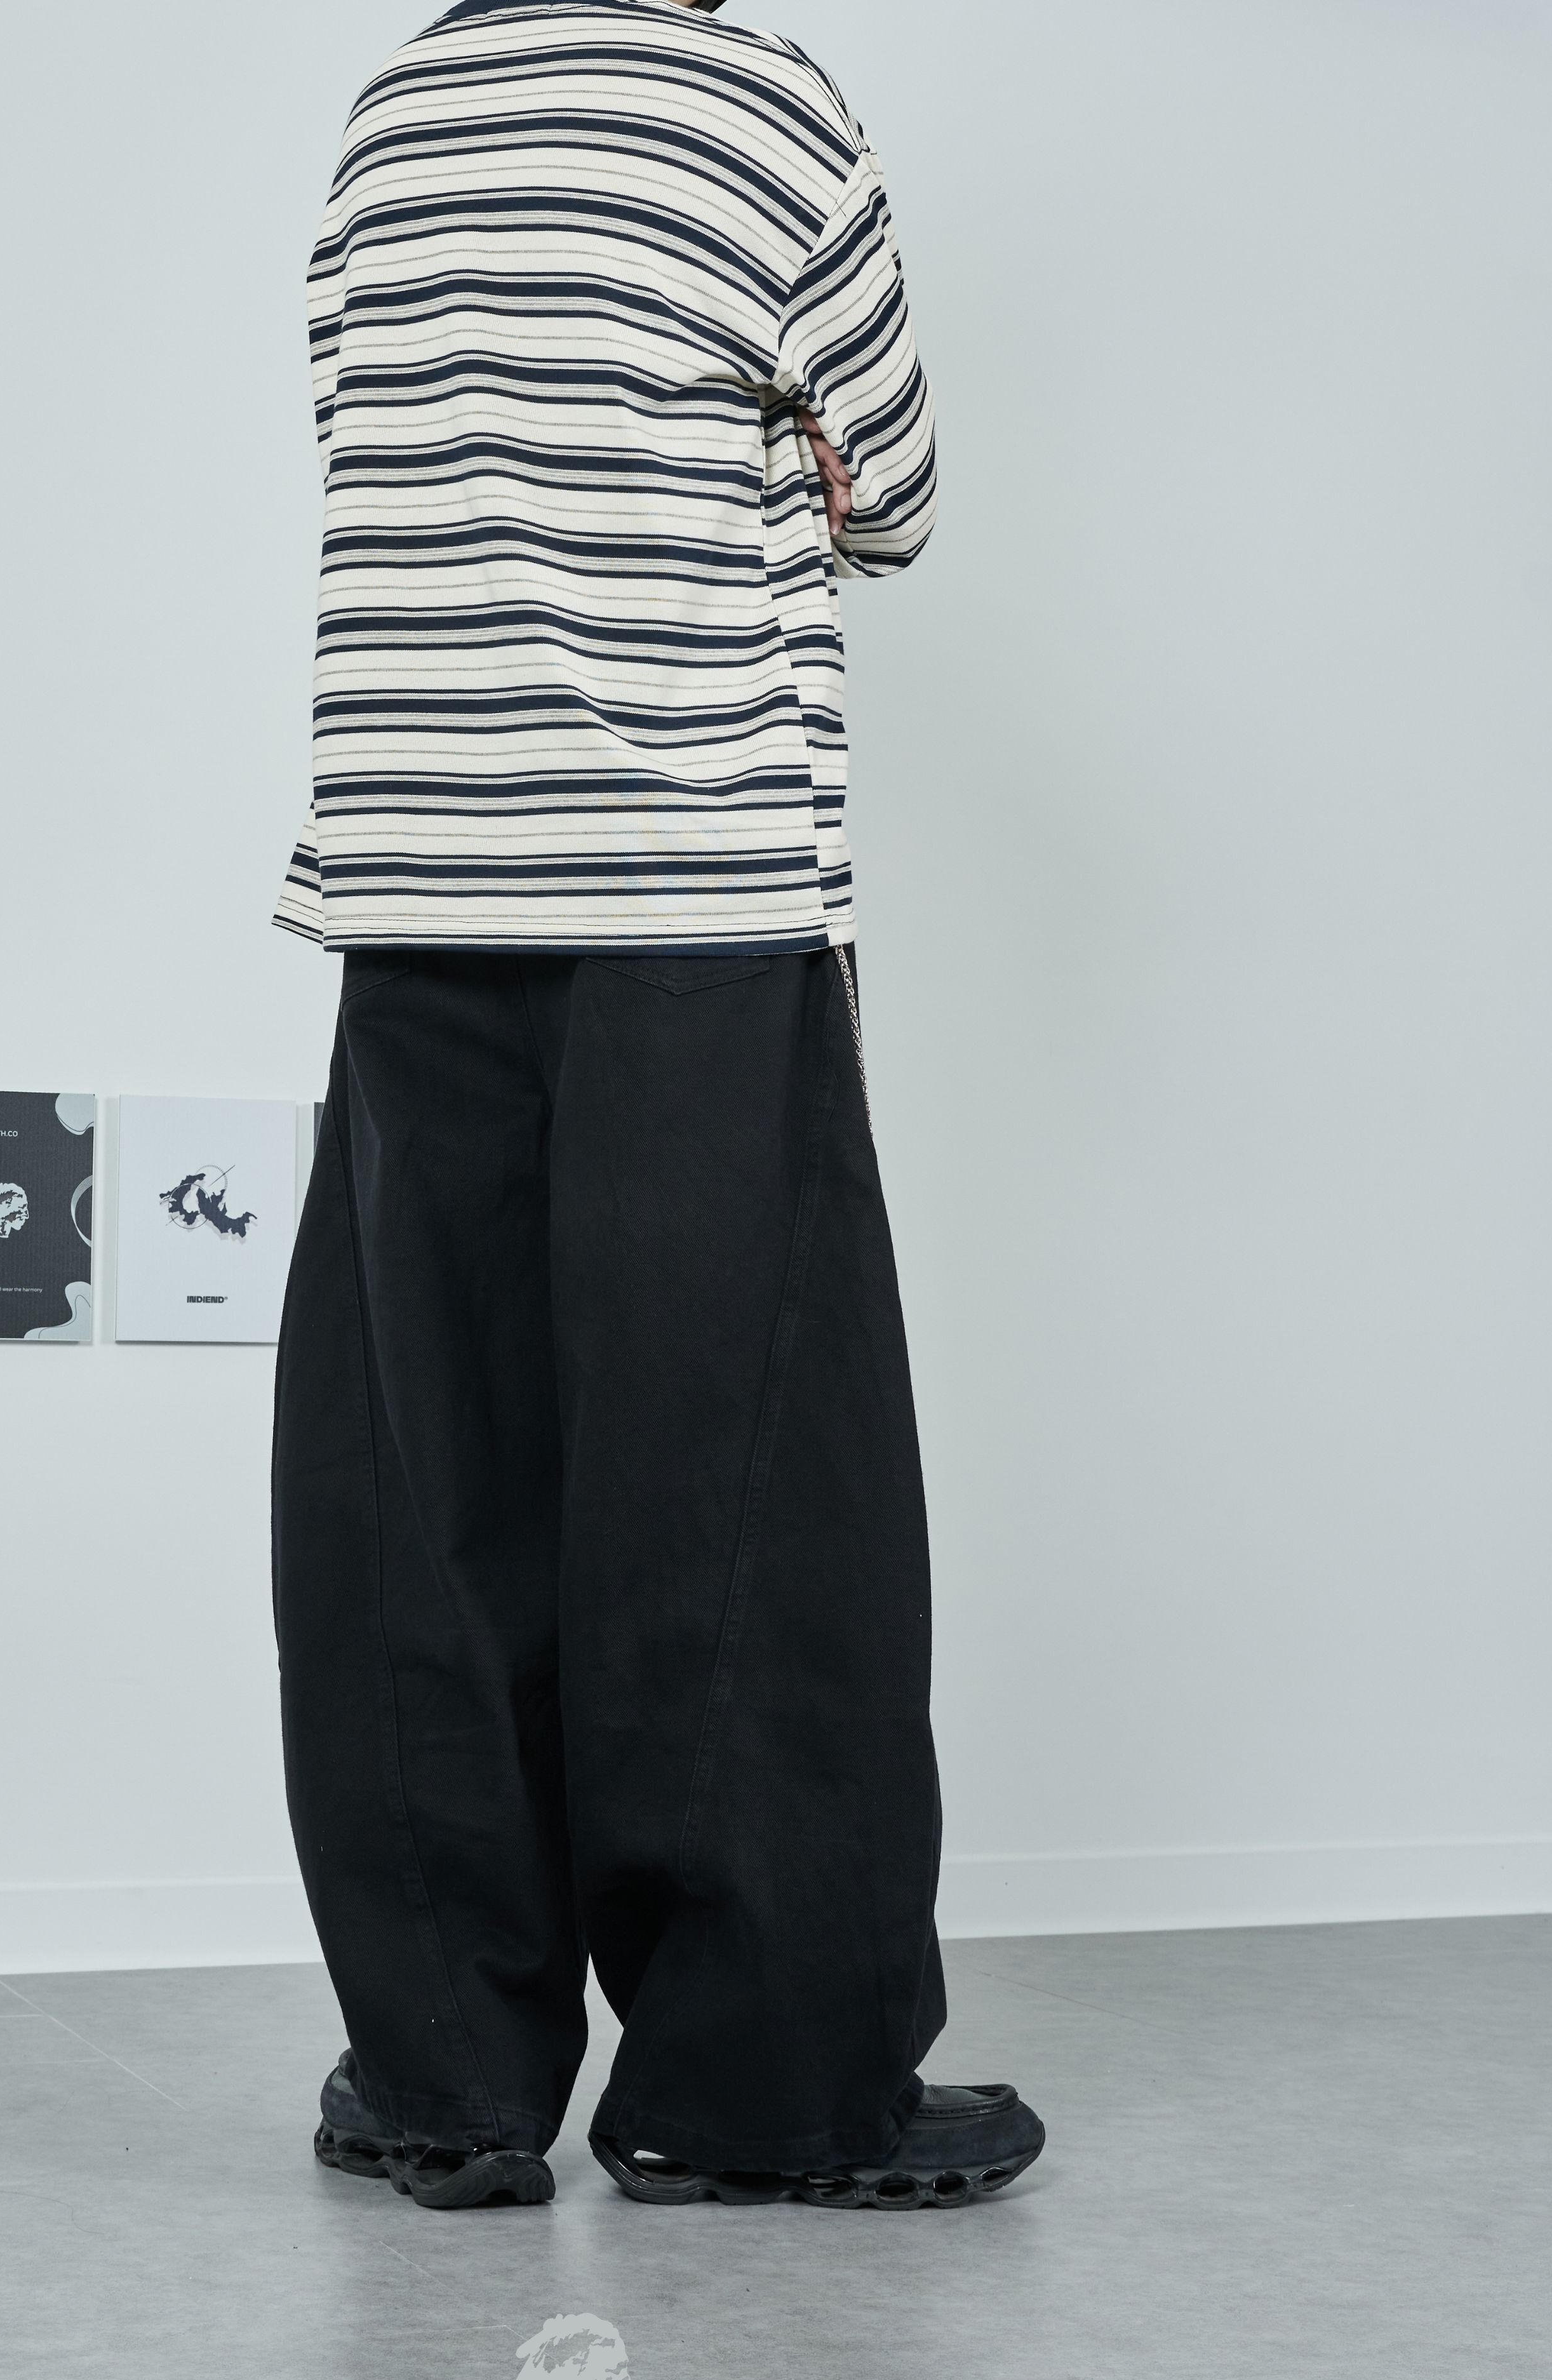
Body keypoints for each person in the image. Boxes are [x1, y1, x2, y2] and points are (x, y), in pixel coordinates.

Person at [271, 0, 1045, 2212]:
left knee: (422, 1499)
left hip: (419, 875)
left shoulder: (395, 112)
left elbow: (368, 428)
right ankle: (758, 2086)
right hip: (690, 888)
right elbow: (893, 492)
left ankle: (441, 2075)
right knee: (742, 1505)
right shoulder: (759, 100)